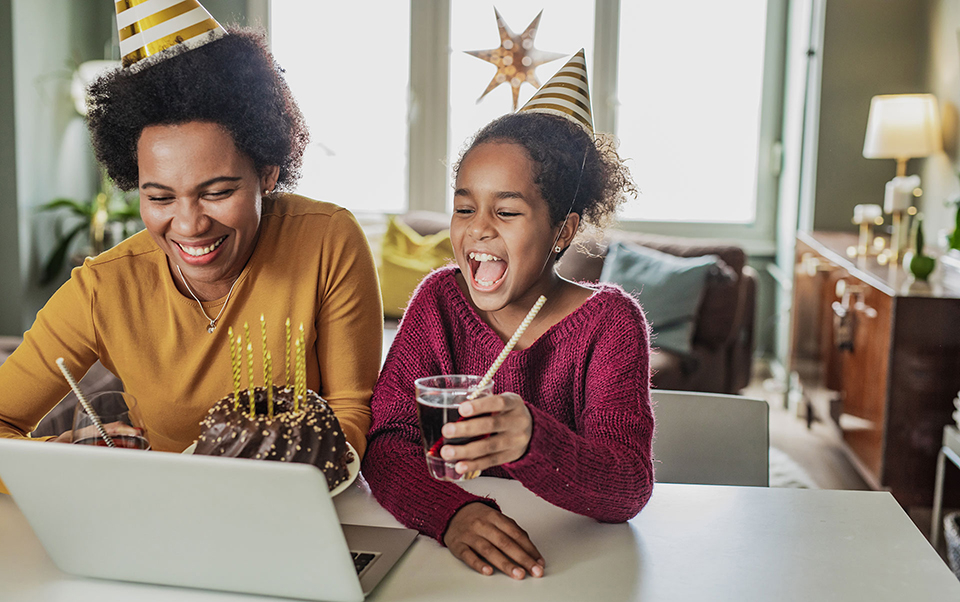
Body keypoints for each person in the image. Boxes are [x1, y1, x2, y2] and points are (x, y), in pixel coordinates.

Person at [0, 20, 381, 479]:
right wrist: (64, 463)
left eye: (217, 192)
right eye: (160, 198)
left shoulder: (328, 240)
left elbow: (350, 411)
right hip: (161, 517)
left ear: (267, 172)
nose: (189, 225)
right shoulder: (103, 288)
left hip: (301, 503)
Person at [362, 51, 654, 581]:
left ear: (562, 231)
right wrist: (450, 512)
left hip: (572, 568)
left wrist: (532, 440)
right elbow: (386, 444)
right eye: (465, 207)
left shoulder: (610, 324)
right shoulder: (438, 303)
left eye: (508, 211)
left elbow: (628, 486)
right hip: (450, 565)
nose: (478, 229)